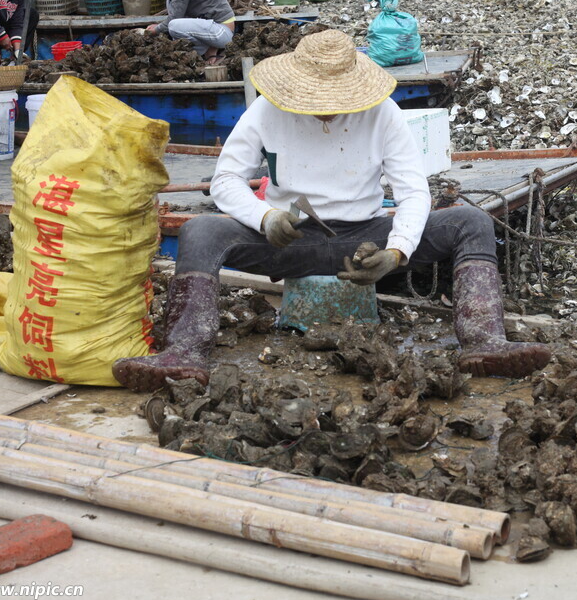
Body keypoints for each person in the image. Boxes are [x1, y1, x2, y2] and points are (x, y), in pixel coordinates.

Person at [112, 29, 553, 393]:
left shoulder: (383, 114)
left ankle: (485, 341)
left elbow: (414, 192)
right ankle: (185, 350)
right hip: (290, 239)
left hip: (364, 241)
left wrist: (396, 252)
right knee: (201, 232)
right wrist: (264, 218)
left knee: (471, 222)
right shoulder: (266, 110)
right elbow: (225, 181)